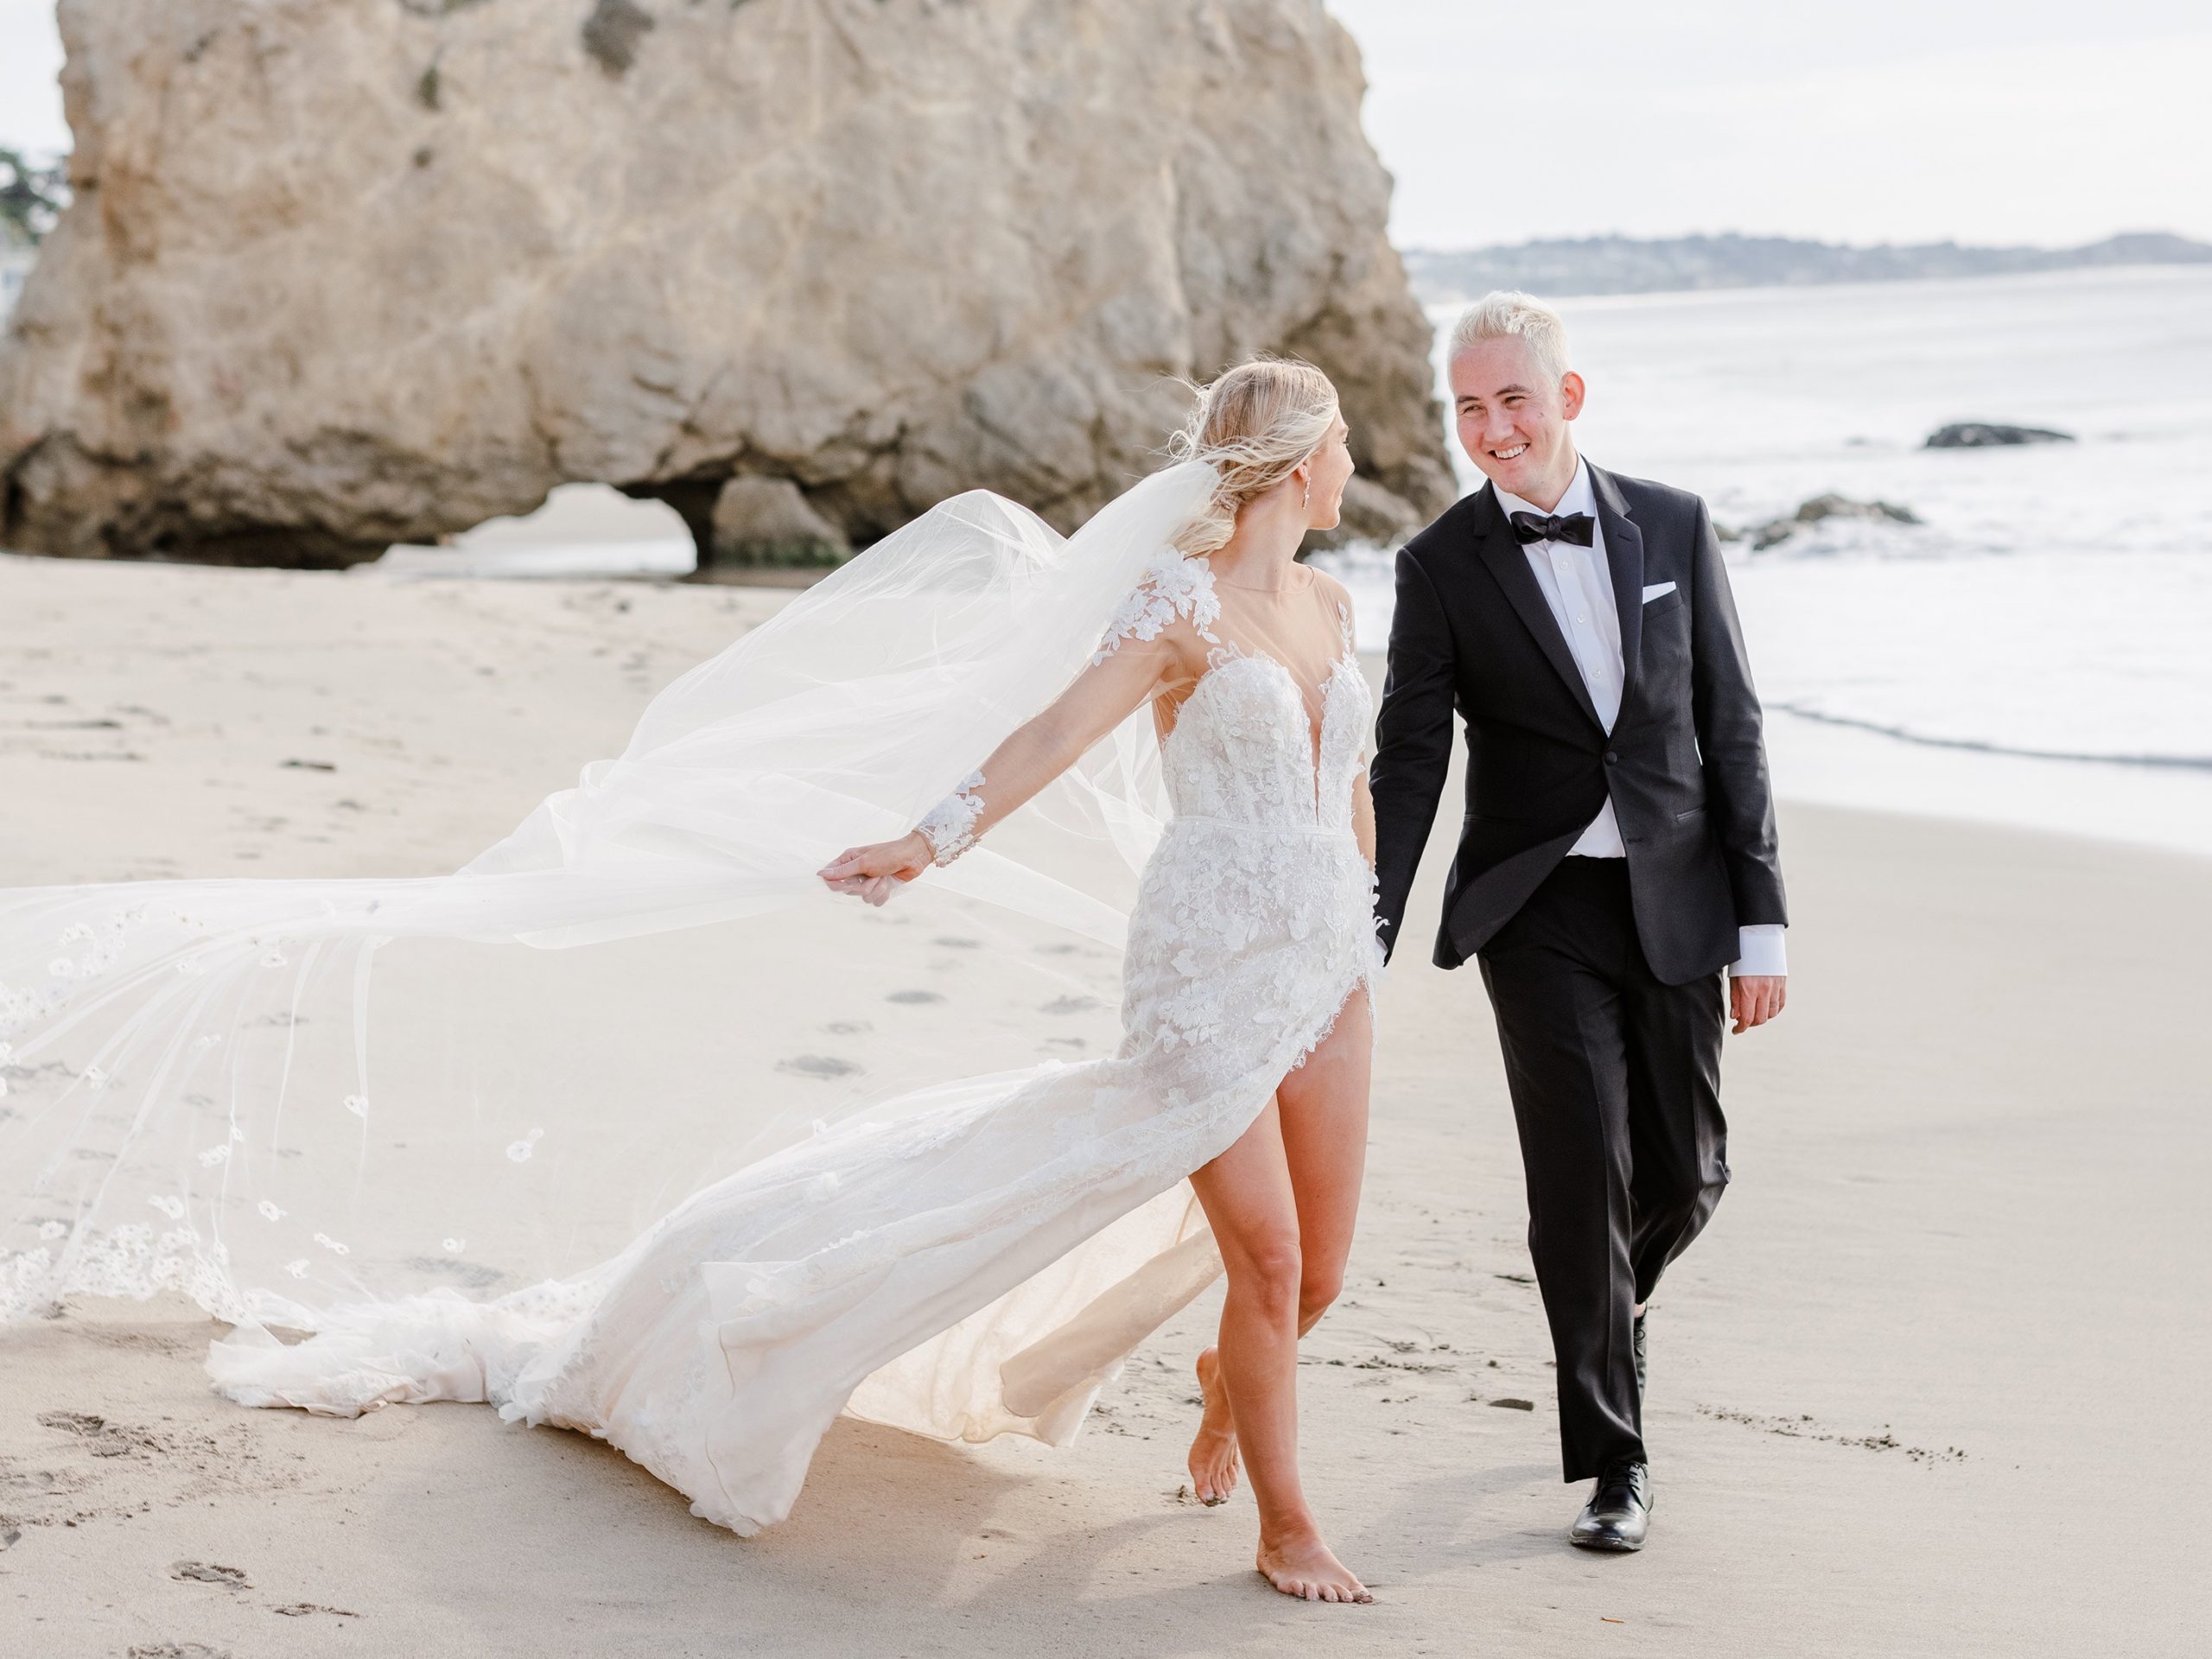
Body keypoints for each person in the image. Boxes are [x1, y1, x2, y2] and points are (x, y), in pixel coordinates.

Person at [1, 359, 1381, 1605]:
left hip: (1327, 955)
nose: (1354, 474)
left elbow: (1353, 780)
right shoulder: (1176, 604)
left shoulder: (1330, 601)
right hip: (1205, 967)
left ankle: (1224, 1383)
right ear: (1302, 463)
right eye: (1345, 451)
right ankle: (1286, 1524)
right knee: (1263, 1255)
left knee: (1315, 1269)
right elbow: (1052, 735)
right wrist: (929, 836)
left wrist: (1361, 927)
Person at [1370, 291, 1789, 1553]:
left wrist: (1761, 923)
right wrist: (1367, 923)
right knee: (1578, 1178)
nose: (1492, 429)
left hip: (1677, 898)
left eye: (1512, 400)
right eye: (1469, 409)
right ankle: (1616, 1462)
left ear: (1569, 398)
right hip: (1534, 906)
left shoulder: (1673, 523)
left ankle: (1613, 1309)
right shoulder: (1439, 564)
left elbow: (1733, 728)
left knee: (1687, 1174)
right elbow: (1410, 757)